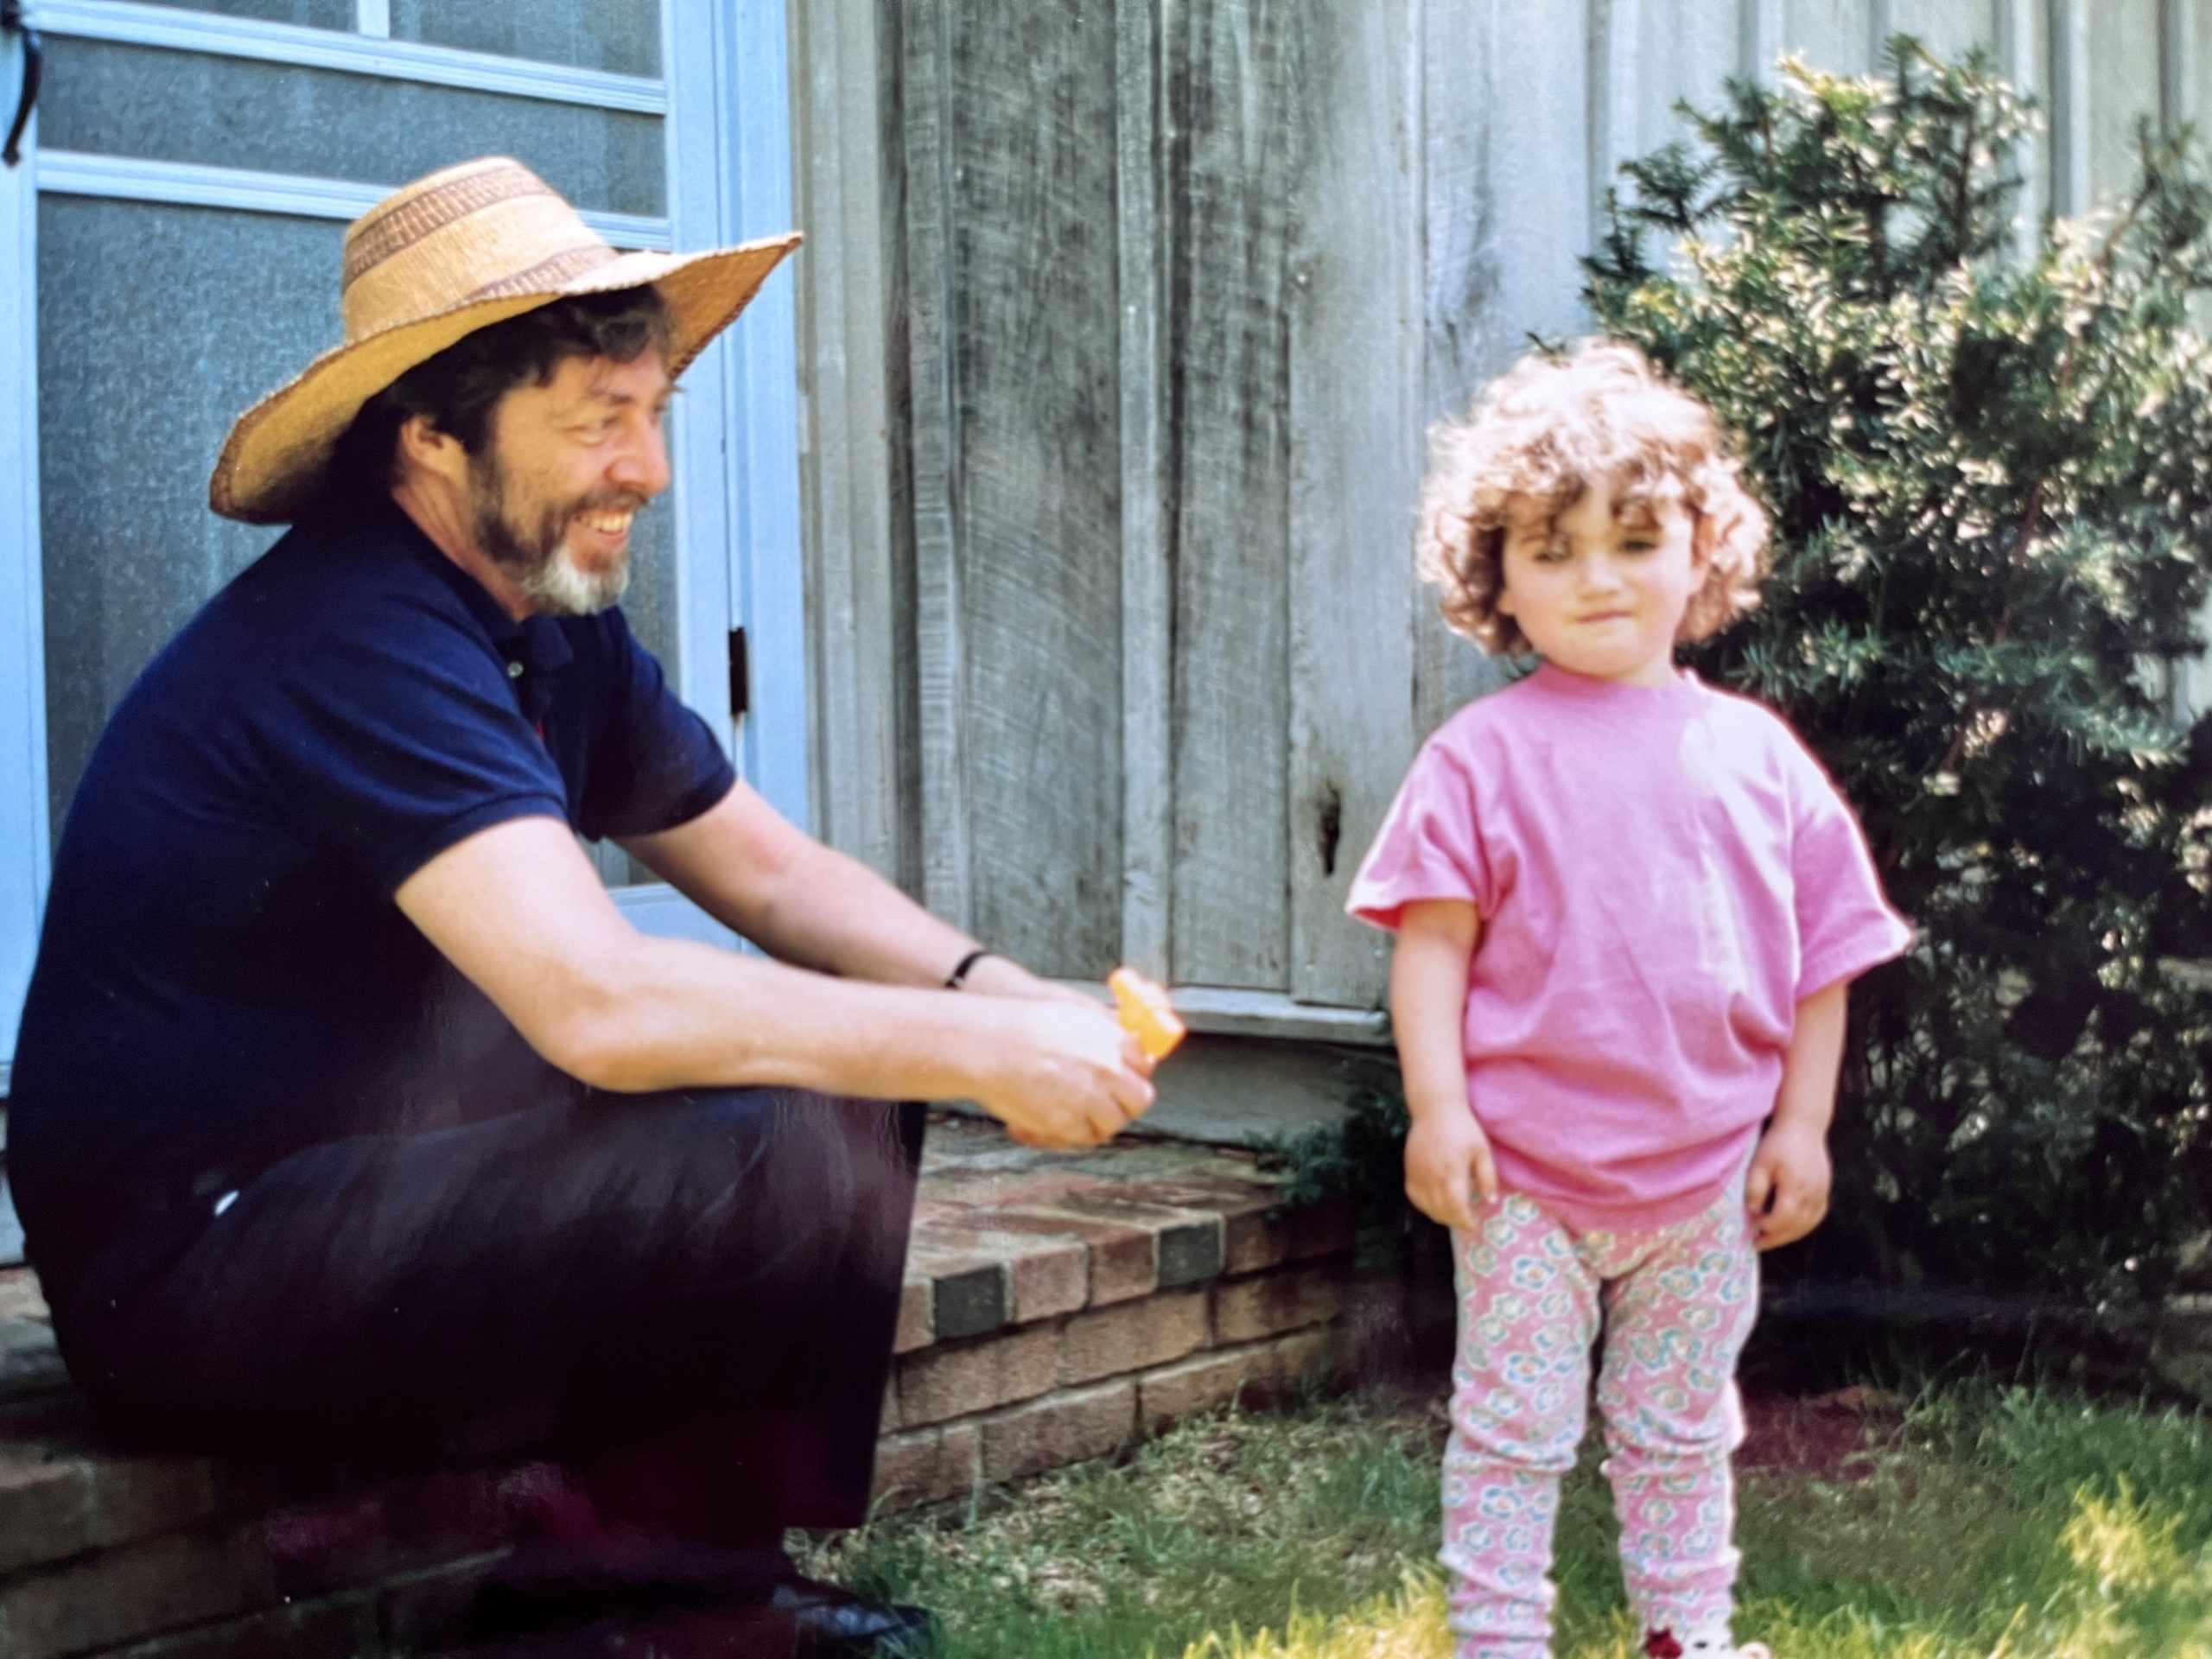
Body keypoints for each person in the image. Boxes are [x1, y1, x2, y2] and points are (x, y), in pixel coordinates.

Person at [6, 156, 1155, 1654]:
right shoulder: (355, 630)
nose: (649, 469)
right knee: (776, 1111)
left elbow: (773, 874)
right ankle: (605, 1614)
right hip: (191, 1270)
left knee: (841, 1087)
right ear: (429, 432)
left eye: (654, 413)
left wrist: (1005, 1000)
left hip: (364, 1189)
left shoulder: (543, 627)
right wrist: (975, 1055)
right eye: (598, 421)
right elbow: (596, 1005)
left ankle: (692, 1592)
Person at [1345, 342, 1912, 1659]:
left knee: (1680, 1426)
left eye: (1635, 540)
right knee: (1514, 1428)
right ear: (1497, 579)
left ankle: (1685, 1634)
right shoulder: (1477, 761)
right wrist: (1439, 1112)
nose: (1597, 578)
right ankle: (1499, 1640)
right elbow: (1428, 948)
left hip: (1707, 1179)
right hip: (1527, 1183)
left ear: (1701, 551)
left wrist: (1801, 1129)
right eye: (1554, 551)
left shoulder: (1758, 757)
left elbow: (1823, 956)